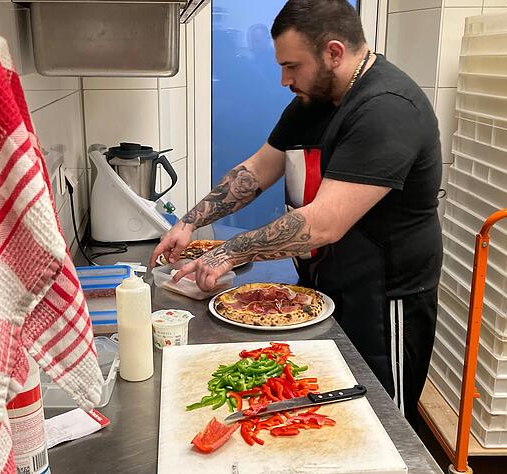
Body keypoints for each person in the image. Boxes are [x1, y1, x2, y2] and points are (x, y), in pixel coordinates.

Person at [150, 0, 442, 428]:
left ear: (334, 52)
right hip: (325, 284)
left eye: (292, 66)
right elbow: (257, 169)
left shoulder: (387, 108)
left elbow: (324, 222)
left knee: (382, 419)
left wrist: (224, 253)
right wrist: (189, 223)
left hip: (383, 298)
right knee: (334, 409)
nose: (284, 80)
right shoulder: (316, 100)